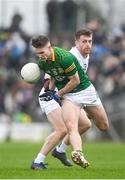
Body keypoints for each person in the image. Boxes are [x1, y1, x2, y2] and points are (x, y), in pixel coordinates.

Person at [30, 34, 93, 170]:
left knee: (85, 124)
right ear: (77, 43)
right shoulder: (51, 59)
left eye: (89, 42)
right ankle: (37, 161)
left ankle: (60, 151)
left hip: (65, 95)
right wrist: (49, 89)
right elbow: (50, 77)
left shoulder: (71, 56)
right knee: (62, 129)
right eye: (38, 53)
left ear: (50, 47)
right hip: (51, 95)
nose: (87, 45)